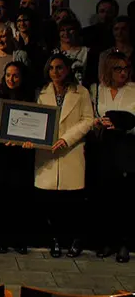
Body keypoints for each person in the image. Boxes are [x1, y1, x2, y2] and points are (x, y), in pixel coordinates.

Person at [34, 53, 94, 258]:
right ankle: (55, 240)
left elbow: (88, 120)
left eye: (59, 67)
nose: (55, 72)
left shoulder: (81, 92)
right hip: (47, 152)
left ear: (67, 69)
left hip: (71, 150)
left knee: (73, 201)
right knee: (50, 201)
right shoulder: (41, 92)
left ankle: (75, 240)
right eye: (51, 68)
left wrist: (67, 139)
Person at [0, 62, 35, 254]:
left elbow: (33, 128)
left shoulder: (28, 98)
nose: (11, 79)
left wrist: (26, 141)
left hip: (20, 156)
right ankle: (1, 240)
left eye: (16, 75)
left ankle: (18, 239)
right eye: (9, 75)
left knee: (18, 199)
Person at [88, 52, 135, 262]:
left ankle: (124, 243)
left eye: (125, 68)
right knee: (104, 195)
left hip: (127, 145)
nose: (123, 73)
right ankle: (106, 241)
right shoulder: (98, 90)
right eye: (118, 68)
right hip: (104, 146)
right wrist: (98, 124)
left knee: (125, 196)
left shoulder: (134, 90)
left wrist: (124, 126)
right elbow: (91, 116)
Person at [87, 16, 134, 86]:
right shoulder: (105, 54)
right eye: (116, 29)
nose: (120, 32)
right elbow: (102, 78)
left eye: (123, 29)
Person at [0, 26, 29, 90]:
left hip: (11, 97)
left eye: (2, 37)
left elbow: (27, 78)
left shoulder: (21, 55)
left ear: (10, 37)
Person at [53, 18, 89, 86]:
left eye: (70, 30)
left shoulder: (86, 52)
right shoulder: (54, 53)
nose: (66, 33)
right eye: (62, 30)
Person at [15, 8, 49, 80]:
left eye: (25, 20)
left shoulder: (40, 42)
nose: (22, 23)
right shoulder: (13, 42)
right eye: (19, 21)